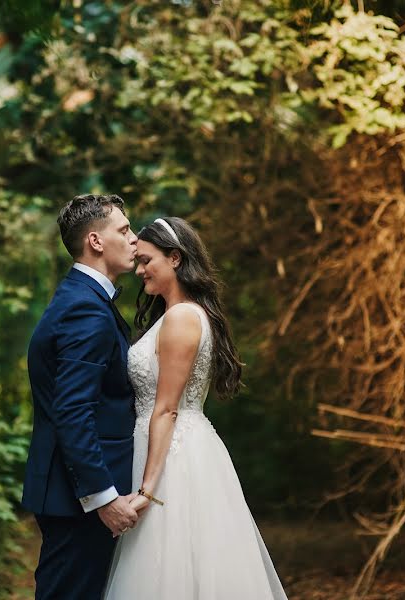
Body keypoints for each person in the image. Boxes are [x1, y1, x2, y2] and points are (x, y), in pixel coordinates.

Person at [103, 216, 288, 599]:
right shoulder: (174, 315)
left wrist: (148, 490)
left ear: (175, 258)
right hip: (163, 448)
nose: (139, 271)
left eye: (146, 261)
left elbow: (167, 408)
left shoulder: (182, 318)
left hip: (173, 460)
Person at [22, 194, 141, 600]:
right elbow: (73, 412)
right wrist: (102, 497)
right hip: (78, 499)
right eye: (124, 230)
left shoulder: (81, 299)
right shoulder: (84, 311)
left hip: (72, 493)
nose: (134, 239)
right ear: (95, 241)